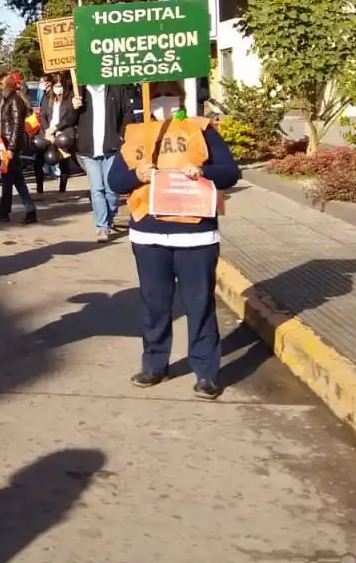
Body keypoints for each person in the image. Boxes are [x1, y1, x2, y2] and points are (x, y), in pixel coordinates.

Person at [107, 80, 241, 400]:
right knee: (155, 304)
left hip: (195, 234)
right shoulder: (137, 133)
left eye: (170, 95)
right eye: (157, 96)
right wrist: (137, 175)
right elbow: (115, 180)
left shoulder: (202, 130)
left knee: (200, 305)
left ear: (182, 98)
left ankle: (206, 373)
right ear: (146, 101)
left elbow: (230, 172)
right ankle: (155, 365)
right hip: (149, 234)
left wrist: (204, 171)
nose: (163, 101)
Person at [73, 81, 137, 241]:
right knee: (97, 189)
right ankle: (102, 226)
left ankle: (108, 217)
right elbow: (68, 119)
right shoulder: (78, 92)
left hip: (111, 148)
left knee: (111, 190)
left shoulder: (116, 89)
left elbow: (128, 113)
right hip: (89, 150)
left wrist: (122, 135)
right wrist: (74, 107)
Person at [0, 72, 37, 224]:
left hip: (10, 145)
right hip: (5, 143)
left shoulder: (15, 100)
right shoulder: (5, 100)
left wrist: (12, 148)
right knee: (9, 179)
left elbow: (17, 126)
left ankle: (29, 210)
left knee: (15, 179)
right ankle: (5, 210)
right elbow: (2, 121)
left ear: (4, 85)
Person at [36, 74, 78, 194]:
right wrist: (47, 130)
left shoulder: (69, 99)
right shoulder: (47, 99)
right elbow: (42, 116)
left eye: (60, 86)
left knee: (64, 163)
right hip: (47, 133)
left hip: (62, 133)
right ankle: (39, 191)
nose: (58, 89)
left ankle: (62, 191)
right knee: (38, 163)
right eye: (56, 86)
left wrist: (56, 128)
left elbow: (70, 118)